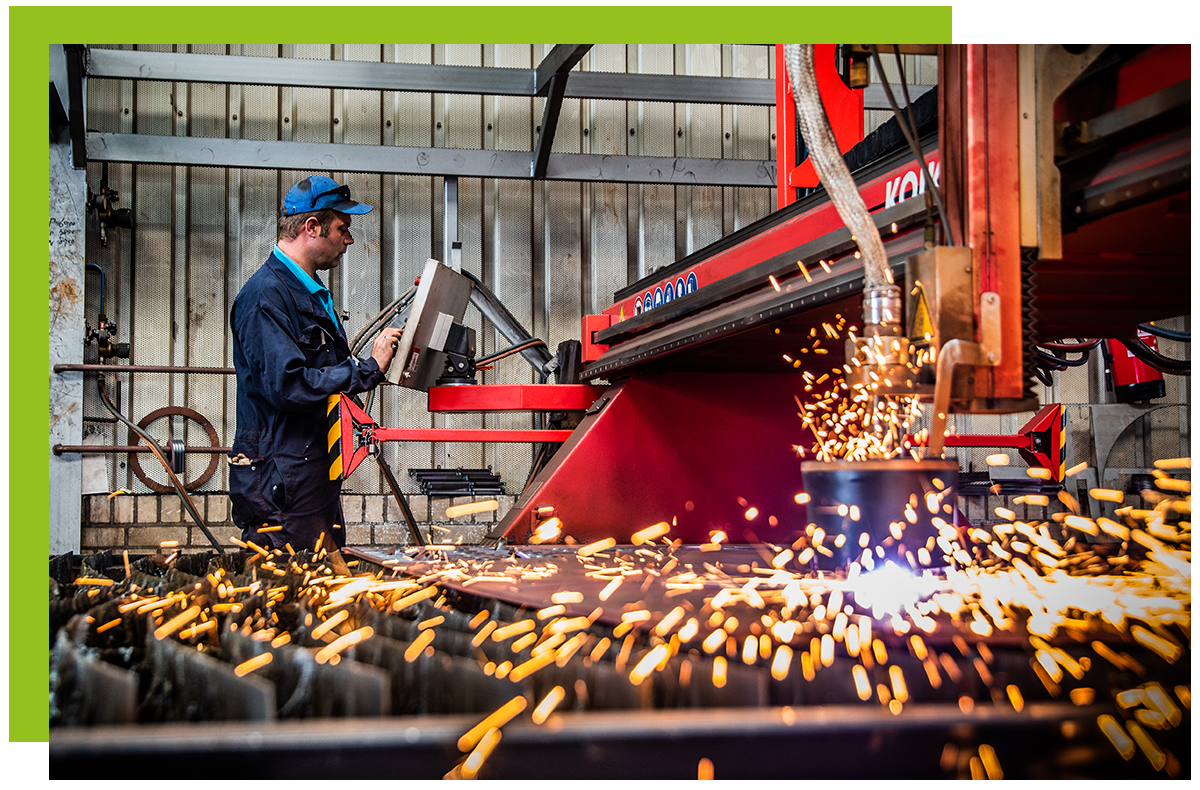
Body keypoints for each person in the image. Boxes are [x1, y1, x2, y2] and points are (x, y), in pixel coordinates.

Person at [228, 175, 403, 553]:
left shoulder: (309, 291)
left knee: (323, 591)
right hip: (282, 482)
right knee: (290, 594)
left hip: (308, 474)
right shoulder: (265, 297)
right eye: (343, 228)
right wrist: (367, 368)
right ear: (311, 227)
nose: (350, 240)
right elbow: (288, 384)